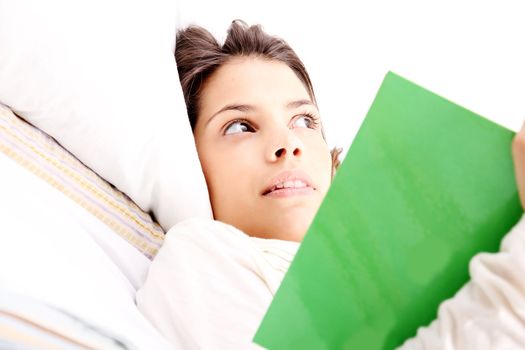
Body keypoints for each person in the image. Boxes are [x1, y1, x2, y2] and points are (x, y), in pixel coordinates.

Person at [136, 20, 525, 349]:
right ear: (192, 159)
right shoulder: (202, 255)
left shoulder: (394, 253)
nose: (288, 145)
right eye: (240, 126)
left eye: (304, 121)